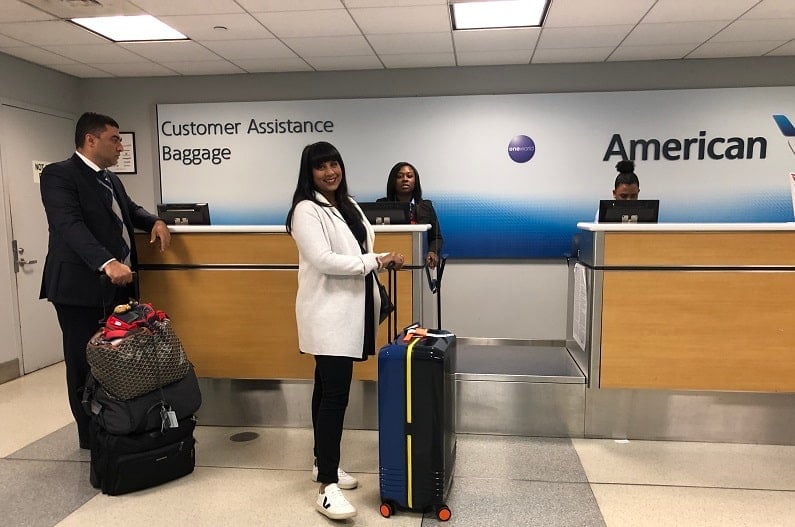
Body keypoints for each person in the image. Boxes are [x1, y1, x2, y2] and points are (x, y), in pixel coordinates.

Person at [285, 141, 404, 521]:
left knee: (326, 389)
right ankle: (326, 487)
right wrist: (376, 261)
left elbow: (359, 245)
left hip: (349, 313)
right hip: (328, 315)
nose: (329, 172)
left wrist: (377, 261)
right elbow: (324, 260)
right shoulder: (305, 210)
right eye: (320, 167)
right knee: (335, 395)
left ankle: (324, 465)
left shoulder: (347, 204)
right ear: (309, 173)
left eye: (334, 164)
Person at [39, 112, 171, 450]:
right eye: (115, 138)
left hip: (117, 289)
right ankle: (91, 437)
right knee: (84, 362)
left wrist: (155, 221)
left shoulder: (109, 179)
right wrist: (106, 261)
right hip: (79, 289)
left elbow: (128, 210)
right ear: (90, 139)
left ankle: (115, 423)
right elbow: (69, 225)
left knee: (117, 359)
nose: (120, 145)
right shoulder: (59, 175)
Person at [377, 162, 443, 268]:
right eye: (399, 176)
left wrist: (432, 251)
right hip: (390, 264)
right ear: (393, 181)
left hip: (418, 262)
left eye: (409, 176)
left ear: (415, 181)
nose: (405, 179)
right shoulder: (382, 205)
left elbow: (436, 237)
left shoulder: (426, 206)